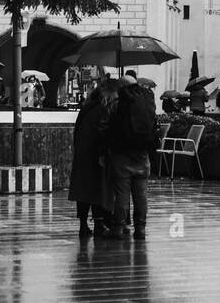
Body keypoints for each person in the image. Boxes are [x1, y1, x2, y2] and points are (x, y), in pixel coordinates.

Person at [106, 73, 159, 240]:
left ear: (121, 87)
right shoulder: (147, 101)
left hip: (122, 156)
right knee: (141, 195)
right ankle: (140, 229)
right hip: (142, 156)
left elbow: (110, 127)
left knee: (122, 195)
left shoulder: (118, 103)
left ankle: (118, 228)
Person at [68, 79, 119, 239]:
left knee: (83, 191)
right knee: (98, 190)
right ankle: (98, 225)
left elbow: (76, 132)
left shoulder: (86, 108)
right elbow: (102, 132)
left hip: (82, 154)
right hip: (96, 155)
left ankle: (83, 225)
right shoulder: (103, 109)